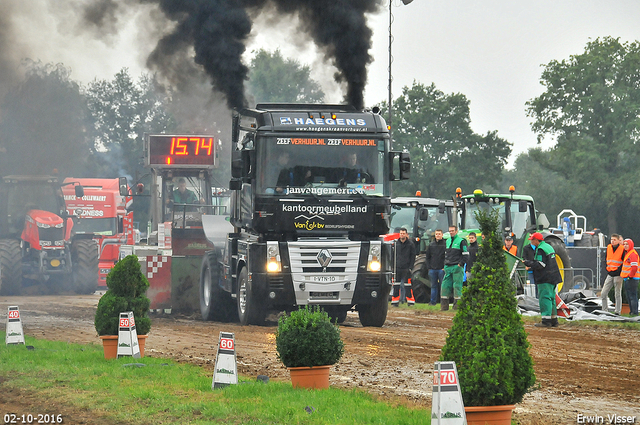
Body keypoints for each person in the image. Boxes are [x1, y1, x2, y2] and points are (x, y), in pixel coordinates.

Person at [523, 232, 563, 327]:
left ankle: (546, 321)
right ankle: (554, 320)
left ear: (537, 240)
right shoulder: (548, 247)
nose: (531, 242)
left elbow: (541, 264)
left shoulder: (540, 249)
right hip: (554, 277)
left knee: (544, 298)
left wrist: (528, 263)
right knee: (552, 298)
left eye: (532, 240)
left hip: (545, 278)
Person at [441, 225, 468, 311]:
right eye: (450, 231)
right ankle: (444, 307)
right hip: (448, 267)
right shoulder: (448, 241)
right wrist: (445, 265)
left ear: (456, 231)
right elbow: (446, 254)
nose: (451, 232)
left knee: (457, 287)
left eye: (452, 231)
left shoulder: (461, 241)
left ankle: (457, 307)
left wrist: (461, 264)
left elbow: (466, 255)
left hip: (457, 267)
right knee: (445, 286)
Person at [600, 234, 625, 314]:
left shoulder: (622, 249)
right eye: (611, 239)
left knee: (617, 293)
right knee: (603, 293)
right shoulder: (609, 248)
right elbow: (605, 259)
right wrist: (607, 269)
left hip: (618, 274)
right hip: (610, 273)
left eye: (614, 239)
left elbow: (623, 262)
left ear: (618, 240)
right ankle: (604, 310)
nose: (612, 241)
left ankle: (617, 311)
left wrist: (618, 271)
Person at [391, 228, 416, 307]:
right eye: (401, 233)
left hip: (406, 268)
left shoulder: (410, 244)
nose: (402, 234)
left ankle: (410, 302)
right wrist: (392, 266)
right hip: (397, 268)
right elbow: (392, 256)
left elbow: (413, 256)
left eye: (403, 233)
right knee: (395, 285)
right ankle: (395, 302)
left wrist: (410, 267)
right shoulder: (395, 244)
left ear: (406, 234)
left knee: (408, 285)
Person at [424, 229, 446, 306]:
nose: (438, 235)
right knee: (433, 286)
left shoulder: (445, 244)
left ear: (442, 235)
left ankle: (443, 302)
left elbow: (447, 257)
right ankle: (433, 302)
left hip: (441, 269)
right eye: (436, 234)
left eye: (439, 234)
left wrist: (444, 267)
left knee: (443, 286)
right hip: (432, 269)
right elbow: (427, 257)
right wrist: (429, 267)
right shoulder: (431, 245)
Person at [620, 238, 639, 316]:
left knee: (632, 296)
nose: (625, 246)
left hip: (632, 279)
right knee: (629, 296)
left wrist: (630, 276)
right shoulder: (628, 253)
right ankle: (632, 312)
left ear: (631, 245)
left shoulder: (632, 254)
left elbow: (634, 267)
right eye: (624, 244)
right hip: (628, 278)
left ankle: (634, 312)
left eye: (627, 244)